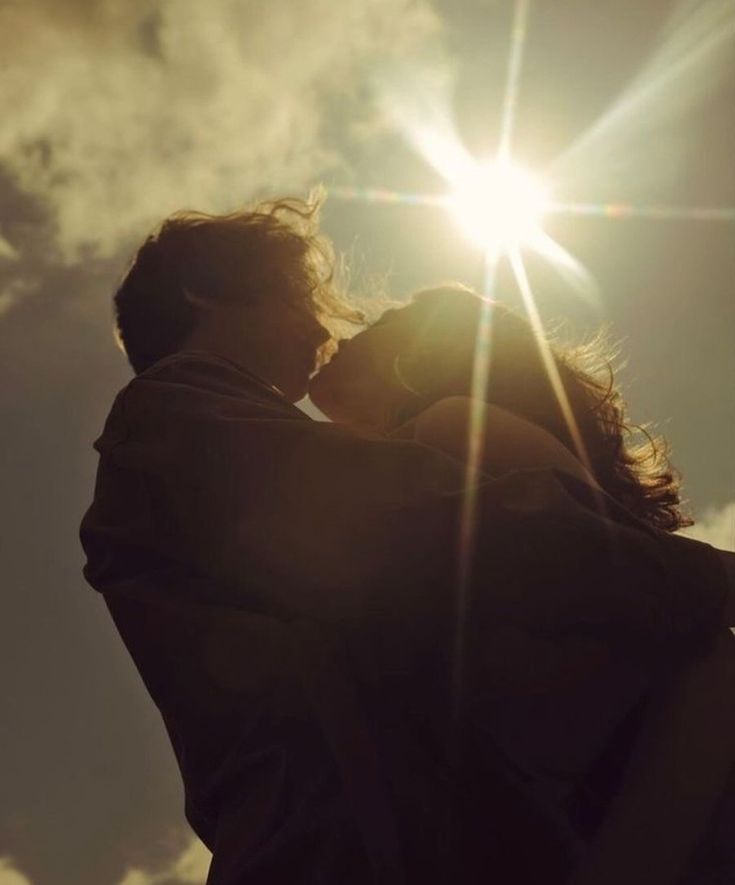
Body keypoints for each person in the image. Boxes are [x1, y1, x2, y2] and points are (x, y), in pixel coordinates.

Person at [81, 196, 732, 884]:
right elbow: (434, 526)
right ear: (206, 290)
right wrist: (697, 577)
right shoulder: (175, 422)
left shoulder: (206, 436)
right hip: (344, 846)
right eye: (300, 294)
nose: (322, 325)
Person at [309, 282, 735, 882]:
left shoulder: (449, 425)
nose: (351, 333)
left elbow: (677, 618)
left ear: (429, 353)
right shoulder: (418, 456)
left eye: (389, 321)